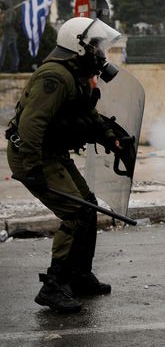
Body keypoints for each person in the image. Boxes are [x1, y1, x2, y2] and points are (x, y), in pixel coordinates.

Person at [6, 17, 126, 312]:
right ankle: (53, 287)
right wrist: (33, 169)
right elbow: (32, 125)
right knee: (75, 212)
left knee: (87, 205)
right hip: (33, 156)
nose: (99, 52)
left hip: (54, 153)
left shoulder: (76, 75)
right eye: (96, 45)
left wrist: (112, 138)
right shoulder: (55, 77)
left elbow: (89, 115)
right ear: (78, 45)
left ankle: (79, 276)